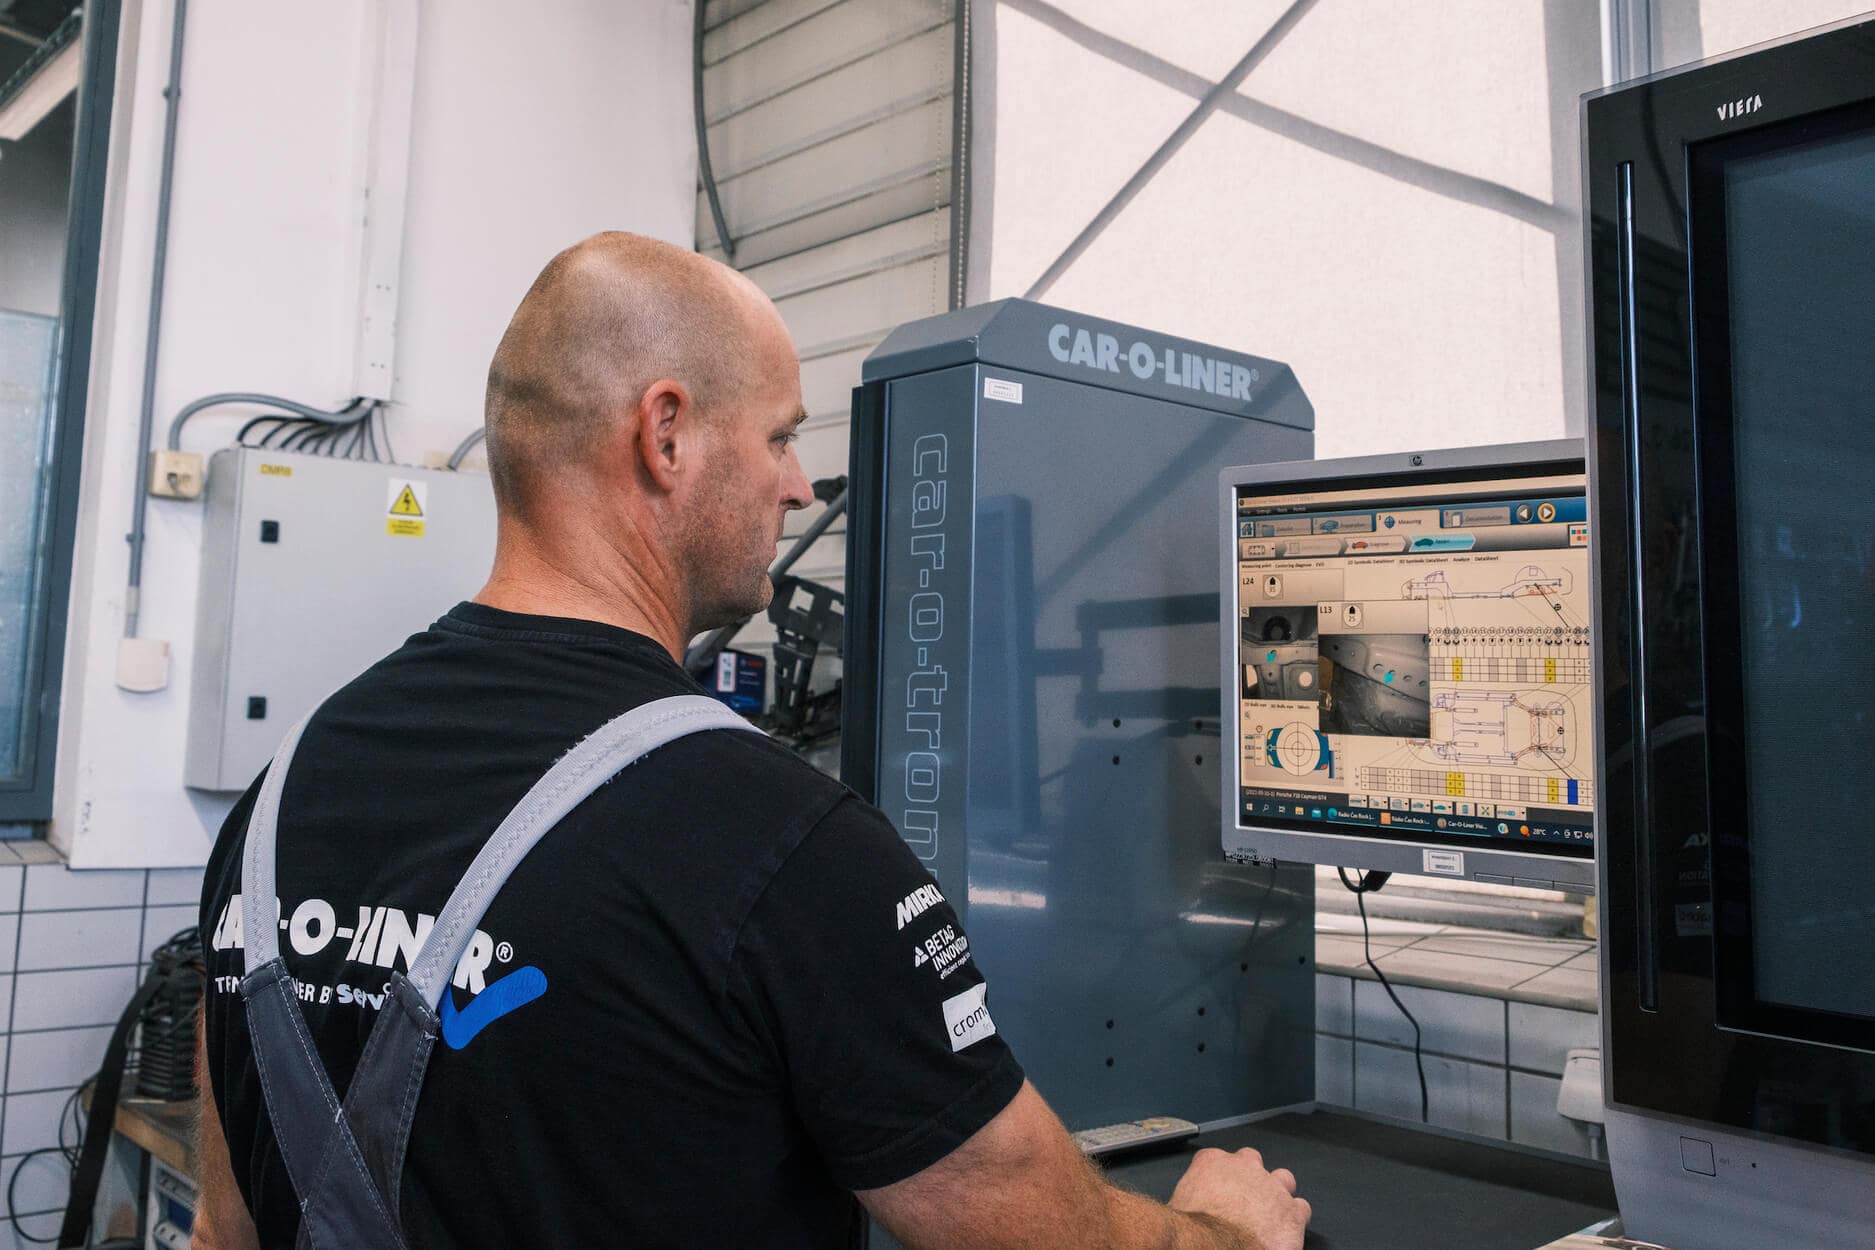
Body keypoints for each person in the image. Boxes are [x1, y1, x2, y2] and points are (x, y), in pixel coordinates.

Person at [194, 231, 1313, 1250]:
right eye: (779, 436)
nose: (794, 484)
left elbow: (222, 1230)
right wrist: (1227, 1229)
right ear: (665, 434)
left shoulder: (279, 802)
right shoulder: (782, 846)